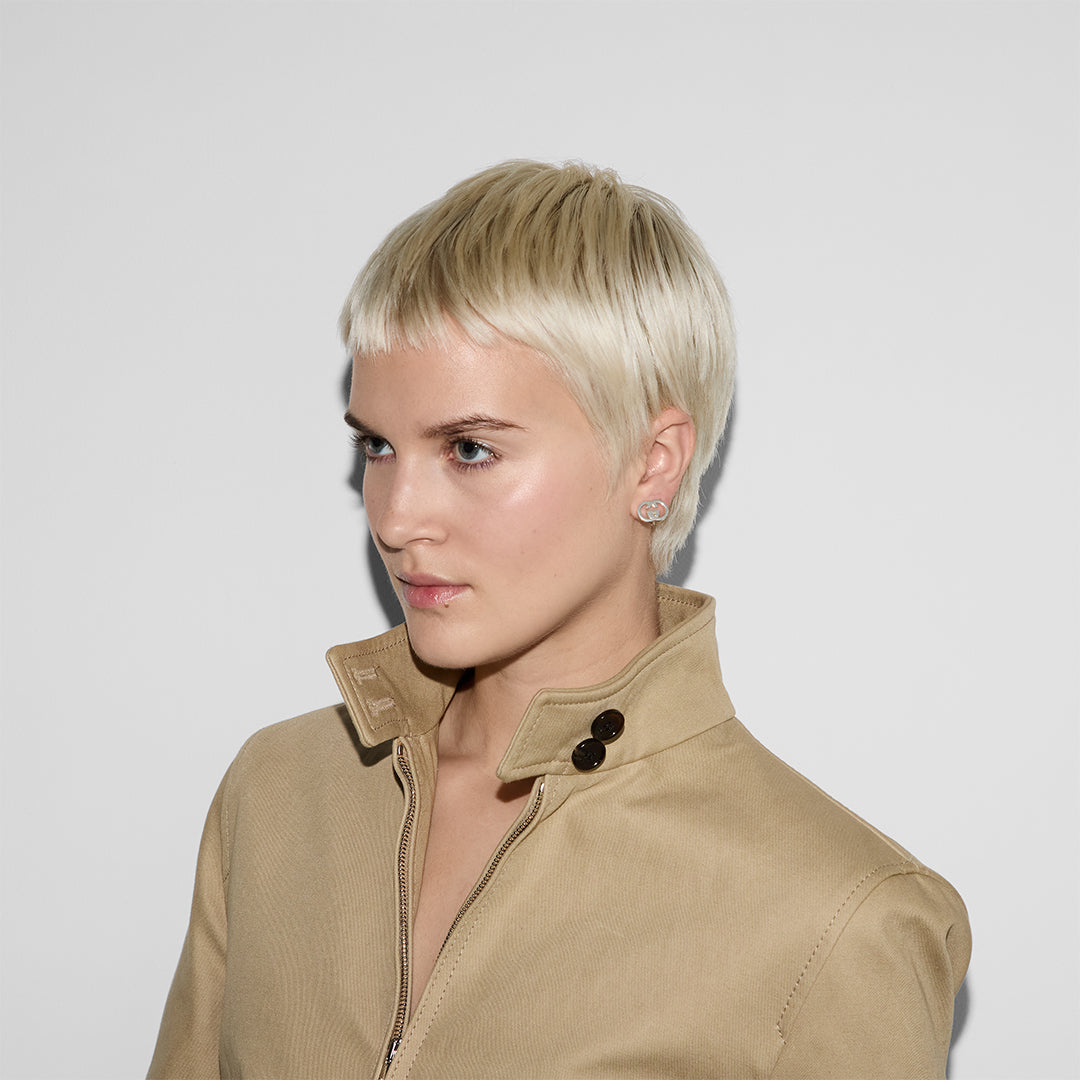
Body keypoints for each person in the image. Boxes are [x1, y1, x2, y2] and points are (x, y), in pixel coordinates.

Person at [148, 160, 970, 1079]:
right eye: (377, 445)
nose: (396, 517)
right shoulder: (278, 792)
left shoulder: (841, 921)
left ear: (654, 463)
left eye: (469, 449)